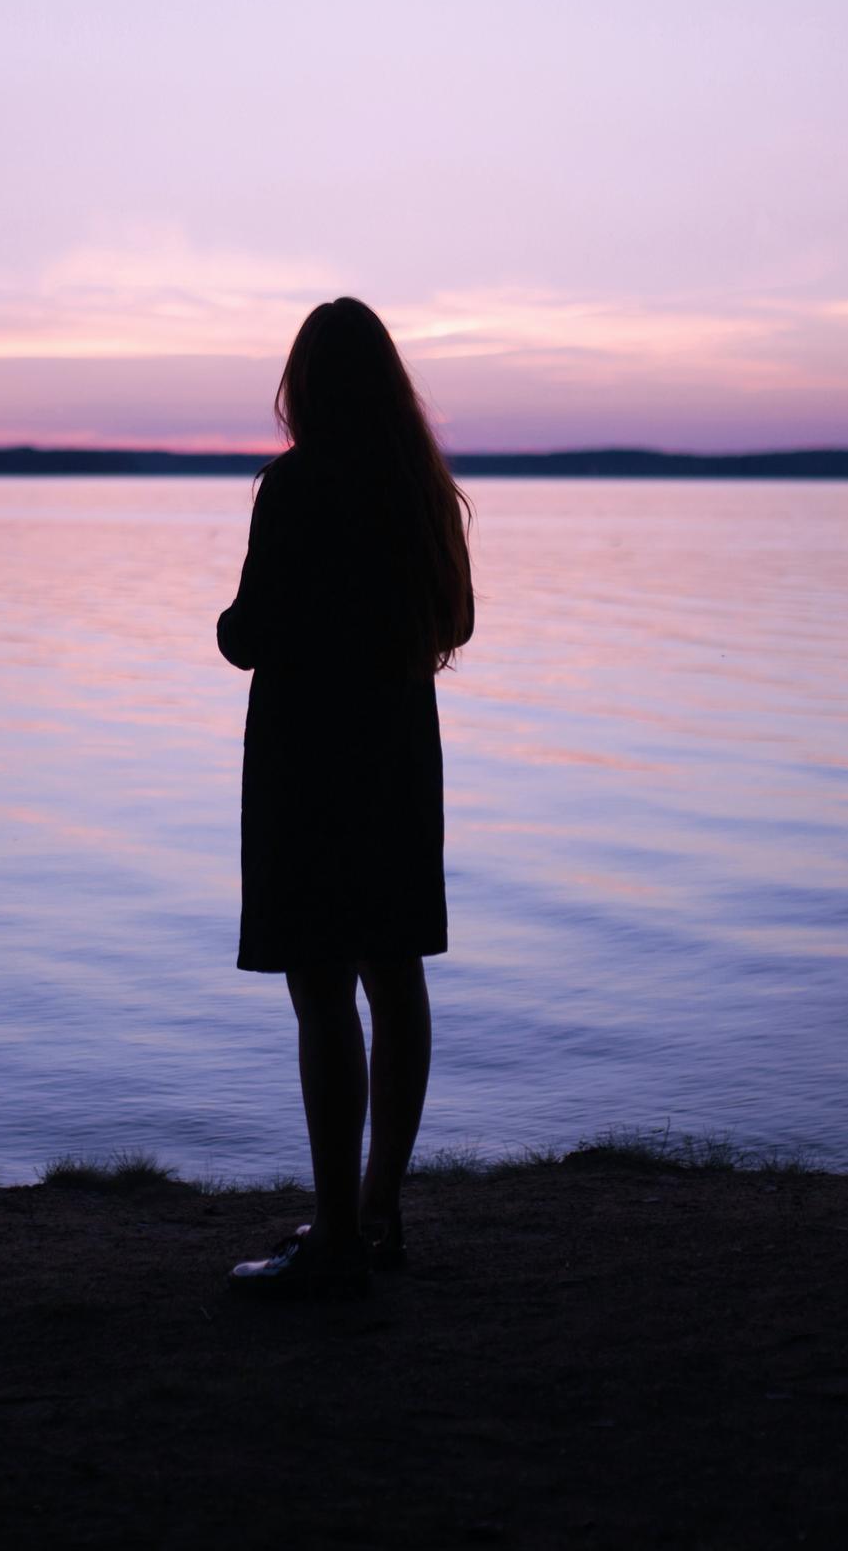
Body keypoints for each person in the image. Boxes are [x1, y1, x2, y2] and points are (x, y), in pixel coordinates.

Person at [217, 297, 474, 1297]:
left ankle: (334, 1237)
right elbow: (452, 620)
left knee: (322, 986)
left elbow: (251, 633)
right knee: (394, 974)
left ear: (306, 387)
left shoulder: (295, 486)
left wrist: (236, 625)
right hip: (400, 752)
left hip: (309, 755)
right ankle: (378, 1210)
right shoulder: (420, 493)